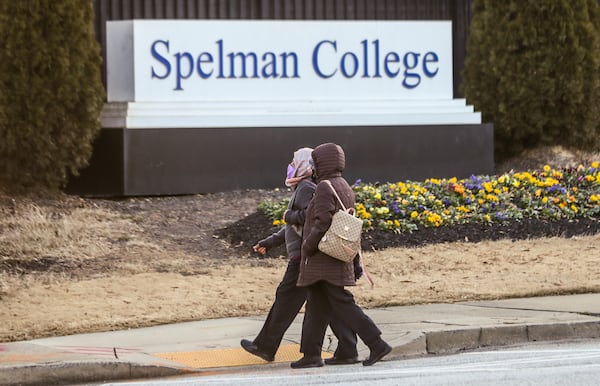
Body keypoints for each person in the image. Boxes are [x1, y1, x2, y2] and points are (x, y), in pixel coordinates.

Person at [240, 147, 359, 364]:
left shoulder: (305, 188)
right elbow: (293, 228)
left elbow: (309, 218)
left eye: (294, 162)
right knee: (327, 303)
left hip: (303, 258)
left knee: (286, 300)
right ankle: (348, 348)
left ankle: (266, 346)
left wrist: (288, 214)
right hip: (305, 255)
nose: (291, 166)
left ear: (305, 165)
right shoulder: (307, 186)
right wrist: (270, 242)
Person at [291, 143, 392, 369]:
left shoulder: (325, 186)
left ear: (322, 163)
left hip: (323, 258)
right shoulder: (343, 185)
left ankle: (377, 343)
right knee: (316, 307)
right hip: (335, 257)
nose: (313, 166)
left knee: (343, 304)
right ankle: (311, 354)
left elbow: (322, 222)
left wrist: (307, 246)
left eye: (315, 162)